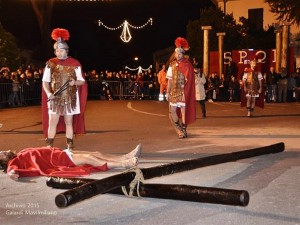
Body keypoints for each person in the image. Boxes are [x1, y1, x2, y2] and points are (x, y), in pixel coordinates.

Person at [42, 28, 87, 150]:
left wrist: (74, 82)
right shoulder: (50, 63)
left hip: (69, 97)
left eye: (61, 50)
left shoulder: (74, 63)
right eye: (57, 50)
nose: (59, 52)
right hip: (55, 97)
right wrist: (48, 93)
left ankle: (70, 145)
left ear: (66, 50)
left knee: (68, 122)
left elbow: (82, 81)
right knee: (53, 121)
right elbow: (45, 81)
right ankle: (49, 146)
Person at [0, 144, 142, 181]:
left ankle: (125, 156)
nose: (2, 151)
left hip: (58, 153)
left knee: (95, 154)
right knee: (89, 159)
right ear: (3, 161)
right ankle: (125, 164)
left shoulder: (18, 154)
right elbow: (11, 172)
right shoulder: (13, 162)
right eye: (0, 154)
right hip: (57, 160)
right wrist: (12, 174)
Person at [166, 37, 196, 138]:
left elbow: (191, 80)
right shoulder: (172, 65)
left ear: (183, 54)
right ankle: (179, 129)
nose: (177, 55)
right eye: (176, 53)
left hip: (184, 91)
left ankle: (183, 130)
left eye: (179, 54)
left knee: (184, 112)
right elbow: (169, 80)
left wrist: (187, 91)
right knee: (172, 111)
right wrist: (167, 92)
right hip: (174, 91)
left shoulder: (188, 65)